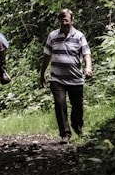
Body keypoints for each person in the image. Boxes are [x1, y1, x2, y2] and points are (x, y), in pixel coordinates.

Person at [40, 9, 93, 144]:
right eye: (62, 21)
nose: (64, 23)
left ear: (72, 21)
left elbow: (86, 54)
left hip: (75, 78)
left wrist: (88, 68)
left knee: (78, 107)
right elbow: (47, 56)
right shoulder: (52, 36)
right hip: (57, 79)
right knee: (60, 104)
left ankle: (77, 127)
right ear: (59, 22)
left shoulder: (79, 36)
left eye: (67, 21)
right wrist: (42, 74)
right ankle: (65, 133)